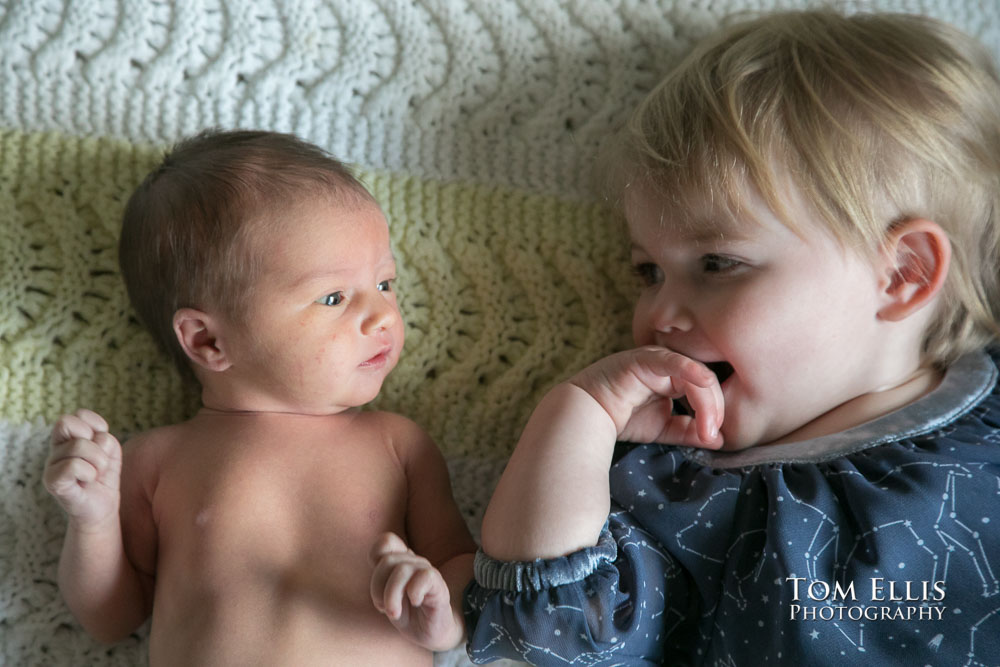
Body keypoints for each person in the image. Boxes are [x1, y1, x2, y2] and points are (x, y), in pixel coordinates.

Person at [463, 9, 1000, 665]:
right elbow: (548, 637)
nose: (660, 312)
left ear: (902, 274)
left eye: (718, 264)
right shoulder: (674, 490)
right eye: (648, 271)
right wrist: (576, 415)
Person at [42, 129, 476, 665]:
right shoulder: (158, 461)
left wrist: (444, 612)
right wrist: (92, 520)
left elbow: (460, 561)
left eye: (386, 284)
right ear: (208, 340)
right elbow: (111, 618)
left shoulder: (399, 446)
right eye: (334, 297)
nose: (384, 315)